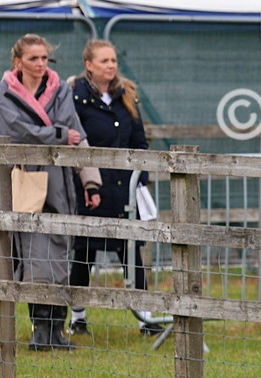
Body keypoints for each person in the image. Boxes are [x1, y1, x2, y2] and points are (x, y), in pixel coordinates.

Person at [0, 34, 101, 350]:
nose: (41, 64)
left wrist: (91, 182)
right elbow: (15, 130)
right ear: (18, 61)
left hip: (58, 183)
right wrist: (57, 134)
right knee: (30, 255)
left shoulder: (60, 89)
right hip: (20, 179)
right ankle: (38, 331)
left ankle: (56, 331)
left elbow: (77, 135)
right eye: (34, 59)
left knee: (58, 253)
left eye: (45, 58)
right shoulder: (4, 92)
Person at [67, 39, 163, 337]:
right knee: (84, 253)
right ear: (89, 65)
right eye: (104, 60)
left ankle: (145, 318)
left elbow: (140, 143)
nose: (111, 65)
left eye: (113, 61)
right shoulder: (75, 96)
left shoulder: (127, 96)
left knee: (131, 252)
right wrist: (85, 181)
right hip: (90, 186)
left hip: (125, 188)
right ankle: (77, 316)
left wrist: (140, 179)